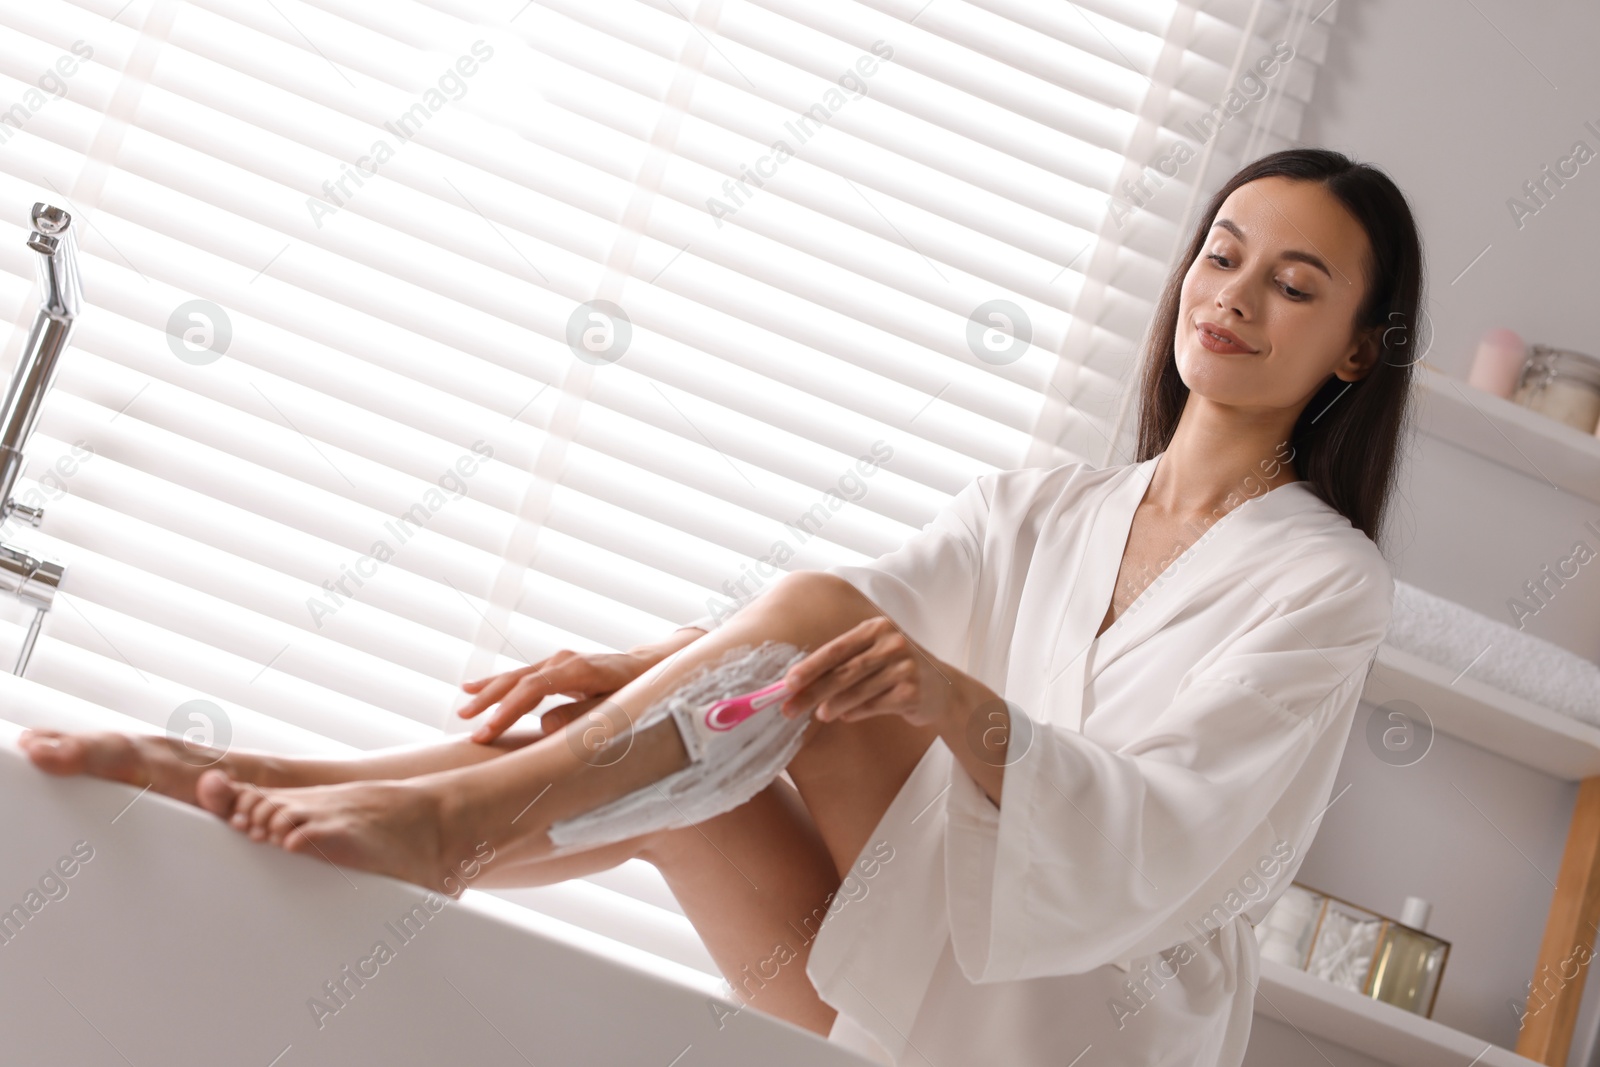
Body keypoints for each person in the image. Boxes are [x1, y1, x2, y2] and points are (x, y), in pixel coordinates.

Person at [17, 146, 1421, 1066]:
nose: (1233, 296)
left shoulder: (1325, 582)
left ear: (1358, 345)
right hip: (915, 980)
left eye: (1292, 285)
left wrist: (952, 702)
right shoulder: (1048, 503)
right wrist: (636, 672)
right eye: (1223, 253)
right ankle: (274, 783)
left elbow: (1180, 829)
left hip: (1075, 1013)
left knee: (778, 666)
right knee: (699, 758)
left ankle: (423, 822)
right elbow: (827, 634)